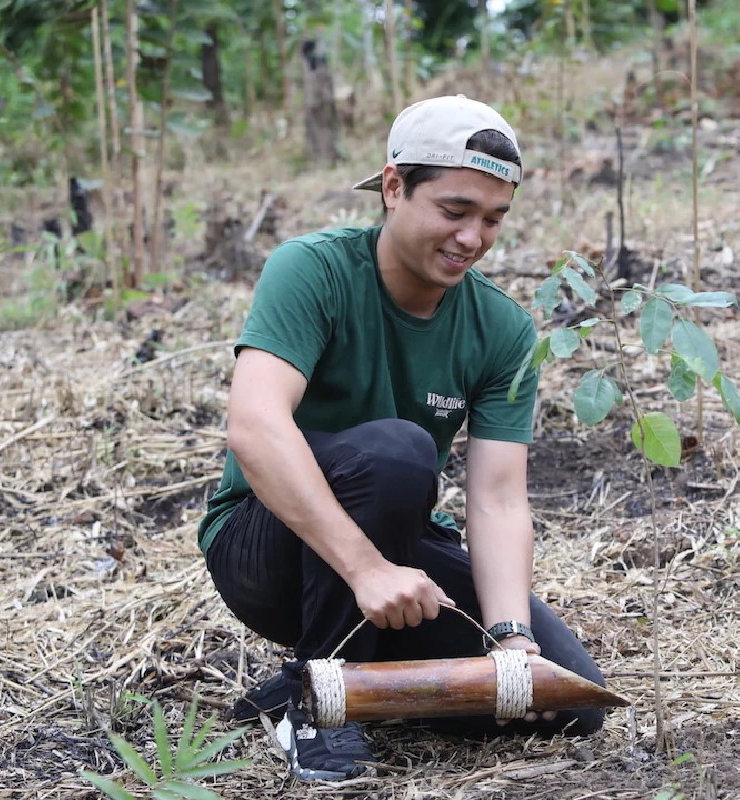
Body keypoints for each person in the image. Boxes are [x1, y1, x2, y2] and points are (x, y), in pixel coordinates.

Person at [196, 95, 606, 781]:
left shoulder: (500, 330)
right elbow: (255, 427)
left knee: (560, 701)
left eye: (493, 219)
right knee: (397, 453)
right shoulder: (313, 270)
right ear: (393, 187)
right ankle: (321, 709)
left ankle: (318, 687)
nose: (473, 239)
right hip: (263, 549)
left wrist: (511, 639)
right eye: (454, 211)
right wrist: (365, 568)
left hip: (397, 552)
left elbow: (499, 500)